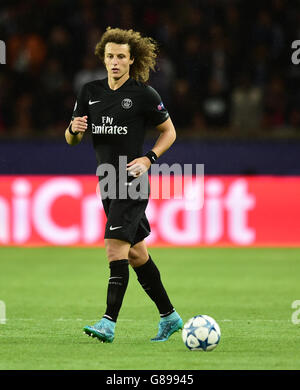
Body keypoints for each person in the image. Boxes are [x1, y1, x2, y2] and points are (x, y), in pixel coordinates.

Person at [65, 27, 183, 343]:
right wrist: (73, 129)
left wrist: (149, 159)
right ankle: (170, 316)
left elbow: (169, 132)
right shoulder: (89, 92)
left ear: (131, 60)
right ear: (103, 60)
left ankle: (108, 322)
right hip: (106, 182)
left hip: (131, 181)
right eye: (110, 56)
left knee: (114, 247)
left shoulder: (145, 95)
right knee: (136, 254)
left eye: (121, 56)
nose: (115, 62)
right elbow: (72, 139)